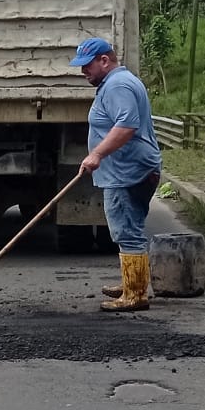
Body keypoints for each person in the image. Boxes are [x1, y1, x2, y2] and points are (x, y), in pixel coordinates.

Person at [70, 37, 163, 312]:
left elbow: (126, 126)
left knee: (127, 229)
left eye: (87, 65)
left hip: (128, 171)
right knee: (129, 227)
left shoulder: (118, 85)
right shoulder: (117, 82)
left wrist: (97, 154)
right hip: (129, 169)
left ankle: (135, 294)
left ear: (104, 60)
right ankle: (132, 283)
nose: (83, 71)